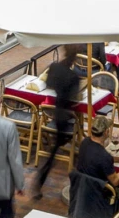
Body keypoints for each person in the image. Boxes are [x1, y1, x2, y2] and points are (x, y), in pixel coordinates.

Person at [32, 45, 84, 199]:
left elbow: (49, 85)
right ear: (75, 58)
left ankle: (38, 182)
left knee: (53, 152)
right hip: (65, 118)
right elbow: (73, 100)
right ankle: (38, 182)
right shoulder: (74, 77)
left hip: (51, 112)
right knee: (54, 153)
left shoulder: (54, 67)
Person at [70, 130, 117, 218]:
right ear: (106, 132)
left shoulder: (85, 143)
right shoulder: (104, 156)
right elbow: (115, 181)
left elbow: (97, 160)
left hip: (83, 188)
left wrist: (117, 159)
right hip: (102, 193)